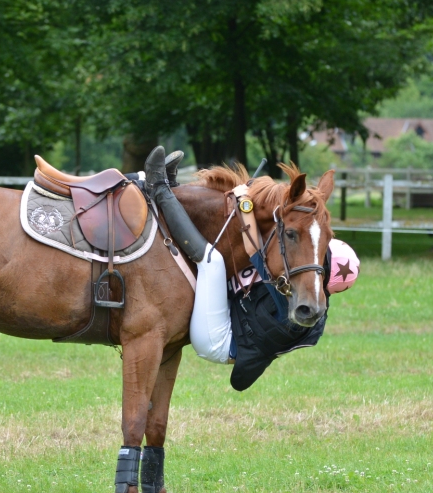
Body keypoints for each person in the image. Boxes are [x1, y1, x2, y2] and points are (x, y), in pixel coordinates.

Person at [145, 147, 360, 391]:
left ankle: (161, 191)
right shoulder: (316, 294)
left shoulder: (298, 297)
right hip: (230, 321)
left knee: (211, 261)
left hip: (219, 340)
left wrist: (245, 203)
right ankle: (176, 192)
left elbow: (252, 247)